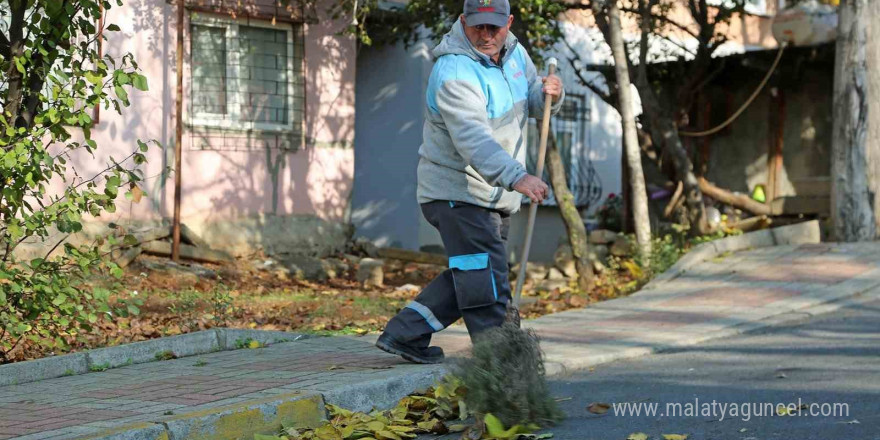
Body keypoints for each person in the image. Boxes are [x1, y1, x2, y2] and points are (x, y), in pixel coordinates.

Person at [375, 0, 565, 364]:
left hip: (492, 194)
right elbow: (472, 139)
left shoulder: (516, 55)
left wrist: (548, 95)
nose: (486, 35)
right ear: (464, 21)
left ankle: (404, 333)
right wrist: (517, 176)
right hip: (456, 192)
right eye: (478, 26)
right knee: (486, 280)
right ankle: (501, 367)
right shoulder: (454, 71)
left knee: (473, 273)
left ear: (508, 23)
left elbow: (533, 104)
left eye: (495, 27)